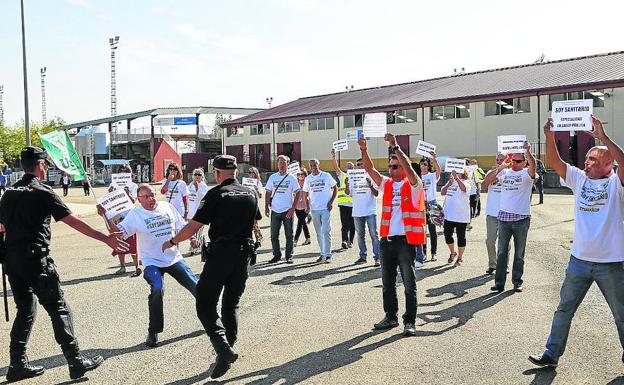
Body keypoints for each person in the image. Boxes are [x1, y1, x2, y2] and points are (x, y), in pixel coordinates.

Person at [0, 146, 128, 382]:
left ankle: (17, 364)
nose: (47, 167)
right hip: (36, 260)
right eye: (45, 164)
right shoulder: (42, 192)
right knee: (58, 308)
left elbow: (1, 227)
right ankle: (75, 361)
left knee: (25, 309)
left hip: (12, 260)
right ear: (39, 165)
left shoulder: (8, 192)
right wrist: (106, 238)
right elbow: (73, 222)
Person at [529, 117, 624, 368]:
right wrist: (549, 135)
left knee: (622, 316)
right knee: (564, 309)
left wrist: (602, 138)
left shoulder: (616, 184)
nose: (586, 162)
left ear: (608, 163)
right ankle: (551, 353)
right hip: (579, 260)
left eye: (592, 159)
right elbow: (555, 163)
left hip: (612, 263)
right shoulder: (579, 178)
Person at [161, 154, 261, 379]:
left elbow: (194, 225)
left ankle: (223, 349)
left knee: (205, 303)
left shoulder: (215, 194)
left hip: (221, 256)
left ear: (216, 173)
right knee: (230, 305)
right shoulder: (250, 193)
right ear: (235, 171)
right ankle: (227, 351)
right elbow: (255, 220)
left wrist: (173, 241)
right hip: (243, 255)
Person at [105, 184, 197, 348]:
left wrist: (192, 239)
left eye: (152, 195)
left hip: (174, 258)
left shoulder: (166, 207)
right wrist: (106, 216)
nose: (151, 199)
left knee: (197, 286)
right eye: (146, 197)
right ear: (138, 199)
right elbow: (119, 234)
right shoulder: (135, 215)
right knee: (156, 288)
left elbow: (181, 226)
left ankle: (213, 317)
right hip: (152, 262)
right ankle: (153, 331)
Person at [359, 134, 426, 337]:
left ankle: (410, 321)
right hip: (387, 241)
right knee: (388, 283)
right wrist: (364, 150)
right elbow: (370, 169)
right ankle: (391, 317)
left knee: (409, 284)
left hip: (405, 242)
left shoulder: (414, 185)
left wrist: (395, 147)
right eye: (390, 166)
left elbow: (408, 169)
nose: (391, 169)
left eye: (395, 166)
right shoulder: (387, 184)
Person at [483, 142, 536, 293]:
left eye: (519, 161)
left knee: (519, 253)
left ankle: (517, 281)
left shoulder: (526, 174)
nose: (515, 163)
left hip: (521, 219)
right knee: (501, 252)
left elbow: (533, 169)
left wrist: (528, 152)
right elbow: (487, 181)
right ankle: (499, 283)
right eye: (514, 160)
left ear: (525, 162)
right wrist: (501, 166)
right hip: (504, 218)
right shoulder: (505, 173)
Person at [265, 155, 301, 264]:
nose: (282, 164)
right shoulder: (273, 177)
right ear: (277, 164)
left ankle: (289, 256)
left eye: (284, 162)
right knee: (274, 235)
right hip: (275, 210)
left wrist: (293, 209)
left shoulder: (291, 178)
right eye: (280, 162)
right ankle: (276, 255)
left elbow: (298, 192)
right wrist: (266, 206)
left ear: (288, 164)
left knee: (289, 235)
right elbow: (268, 192)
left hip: (287, 210)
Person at [345, 158, 380, 266]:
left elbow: (376, 194)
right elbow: (348, 193)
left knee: (374, 234)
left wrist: (370, 186)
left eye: (361, 164)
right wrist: (346, 184)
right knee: (360, 235)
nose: (359, 166)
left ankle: (377, 257)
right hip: (357, 211)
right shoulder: (352, 177)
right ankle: (362, 256)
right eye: (358, 164)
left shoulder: (371, 176)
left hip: (370, 210)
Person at [106, 164, 140, 276]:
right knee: (120, 243)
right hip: (118, 217)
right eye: (121, 171)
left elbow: (133, 201)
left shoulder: (133, 186)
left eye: (125, 171)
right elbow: (109, 200)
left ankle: (137, 266)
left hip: (129, 217)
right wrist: (110, 193)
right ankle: (122, 266)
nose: (123, 173)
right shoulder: (113, 184)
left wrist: (127, 193)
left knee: (132, 243)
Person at [303, 158, 338, 262]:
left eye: (315, 165)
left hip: (325, 208)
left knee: (326, 231)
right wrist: (307, 205)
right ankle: (322, 253)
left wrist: (331, 202)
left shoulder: (326, 176)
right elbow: (305, 193)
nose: (313, 167)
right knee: (319, 232)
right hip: (314, 209)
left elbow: (335, 187)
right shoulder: (308, 179)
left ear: (319, 165)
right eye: (311, 165)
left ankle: (328, 254)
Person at [481, 153, 506, 275]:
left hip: (505, 213)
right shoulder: (491, 172)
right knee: (490, 240)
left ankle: (503, 265)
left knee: (504, 243)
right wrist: (496, 171)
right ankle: (492, 264)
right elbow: (484, 186)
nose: (500, 161)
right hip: (492, 213)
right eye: (498, 160)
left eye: (502, 160)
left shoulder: (510, 173)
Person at [441, 170, 470, 266]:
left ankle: (460, 257)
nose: (456, 174)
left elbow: (464, 189)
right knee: (447, 236)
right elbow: (442, 192)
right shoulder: (451, 181)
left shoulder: (466, 182)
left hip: (461, 216)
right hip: (449, 215)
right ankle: (453, 253)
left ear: (463, 173)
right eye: (455, 172)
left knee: (461, 237)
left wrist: (457, 179)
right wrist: (449, 183)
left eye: (458, 172)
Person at [331, 149, 356, 249]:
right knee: (345, 224)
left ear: (354, 168)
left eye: (351, 167)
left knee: (353, 225)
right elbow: (336, 167)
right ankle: (344, 241)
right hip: (344, 205)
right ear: (345, 168)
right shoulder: (343, 176)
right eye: (348, 166)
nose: (349, 168)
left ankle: (351, 240)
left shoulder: (357, 176)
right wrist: (334, 157)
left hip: (354, 204)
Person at [419, 155, 441, 262]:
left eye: (425, 164)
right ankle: (423, 253)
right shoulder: (417, 177)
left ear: (428, 166)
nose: (423, 166)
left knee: (432, 230)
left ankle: (434, 253)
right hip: (421, 205)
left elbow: (438, 171)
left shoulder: (432, 176)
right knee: (422, 231)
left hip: (432, 204)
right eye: (421, 164)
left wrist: (434, 159)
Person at [187, 168, 209, 254]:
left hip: (199, 213)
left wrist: (197, 188)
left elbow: (202, 198)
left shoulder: (203, 186)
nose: (197, 176)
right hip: (190, 212)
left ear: (202, 176)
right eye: (195, 174)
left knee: (197, 232)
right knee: (192, 232)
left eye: (199, 174)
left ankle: (195, 248)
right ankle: (197, 245)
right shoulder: (190, 185)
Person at [247, 167, 264, 249]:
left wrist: (256, 190)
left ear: (256, 173)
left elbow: (260, 196)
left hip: (254, 203)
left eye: (252, 172)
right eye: (249, 172)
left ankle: (258, 237)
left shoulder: (258, 182)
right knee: (248, 222)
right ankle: (254, 237)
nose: (251, 174)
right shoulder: (246, 182)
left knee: (254, 222)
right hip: (247, 203)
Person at [294, 167, 311, 246]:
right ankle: (308, 238)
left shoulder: (308, 183)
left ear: (305, 175)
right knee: (303, 222)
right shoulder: (296, 183)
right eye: (298, 174)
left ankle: (295, 240)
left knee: (300, 223)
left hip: (305, 206)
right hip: (297, 206)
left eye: (302, 174)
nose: (300, 176)